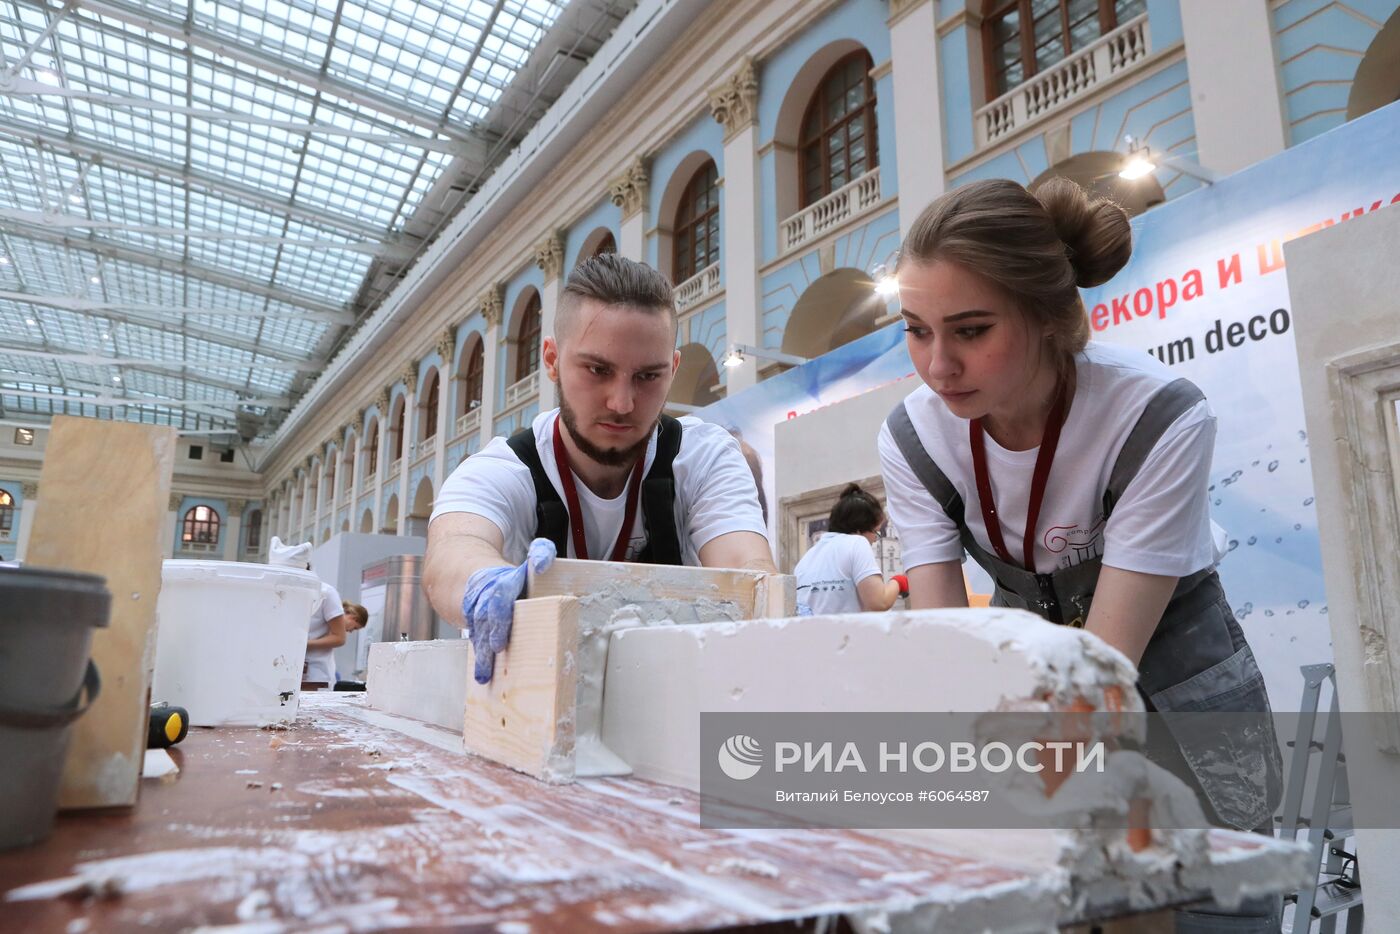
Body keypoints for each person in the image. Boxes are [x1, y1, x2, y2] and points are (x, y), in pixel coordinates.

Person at [877, 178, 1282, 932]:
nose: (937, 367)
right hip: (1029, 688)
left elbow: (1108, 663)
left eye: (969, 330)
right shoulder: (914, 435)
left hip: (1174, 683)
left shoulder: (1157, 413)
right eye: (916, 329)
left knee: (1218, 908)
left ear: (1047, 318)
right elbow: (943, 647)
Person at [424, 254, 776, 683]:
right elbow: (452, 552)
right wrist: (483, 582)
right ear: (551, 359)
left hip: (670, 697)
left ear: (674, 369)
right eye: (597, 369)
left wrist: (775, 609)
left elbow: (746, 564)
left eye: (648, 376)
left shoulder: (704, 457)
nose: (622, 403)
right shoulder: (500, 470)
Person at [793, 483, 908, 614]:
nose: (876, 539)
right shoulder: (857, 542)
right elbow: (879, 601)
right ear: (859, 529)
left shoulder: (806, 559)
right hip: (845, 633)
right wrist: (899, 582)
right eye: (876, 532)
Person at [268, 536, 346, 687]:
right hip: (279, 666)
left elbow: (339, 637)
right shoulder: (272, 591)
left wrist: (303, 643)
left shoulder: (326, 593)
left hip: (315, 673)